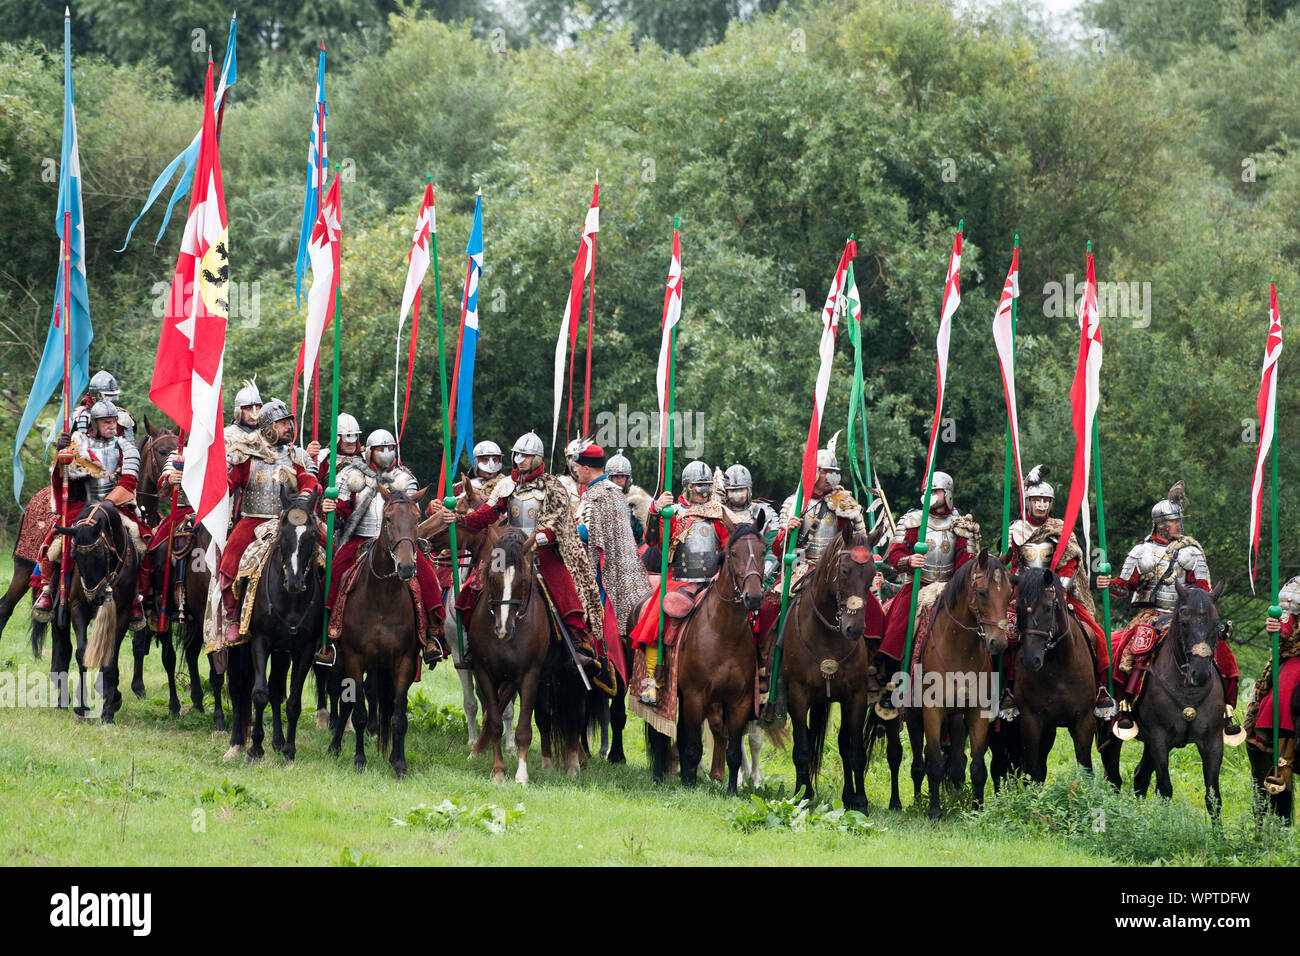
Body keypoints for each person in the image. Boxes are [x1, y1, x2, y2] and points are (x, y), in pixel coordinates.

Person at [430, 431, 612, 692]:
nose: (520, 460)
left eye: (526, 456)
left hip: (542, 551)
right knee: (475, 584)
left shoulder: (552, 487)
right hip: (509, 552)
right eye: (518, 455)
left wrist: (541, 537)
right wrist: (460, 521)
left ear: (537, 458)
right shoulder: (506, 486)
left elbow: (559, 523)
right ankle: (471, 645)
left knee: (562, 587)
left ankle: (576, 645)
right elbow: (485, 516)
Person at [1096, 481, 1240, 740]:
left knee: (1224, 655)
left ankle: (1226, 710)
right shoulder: (1141, 552)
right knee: (1130, 651)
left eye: (1180, 521)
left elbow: (1204, 590)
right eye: (1175, 521)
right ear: (1161, 523)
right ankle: (1125, 705)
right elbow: (1124, 586)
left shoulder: (1192, 552)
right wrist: (1108, 584)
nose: (1180, 526)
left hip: (1185, 615)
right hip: (1151, 614)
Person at [316, 429, 447, 668]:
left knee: (428, 578)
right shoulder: (352, 475)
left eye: (389, 448)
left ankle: (432, 636)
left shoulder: (404, 477)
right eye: (380, 449)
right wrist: (331, 507)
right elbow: (343, 512)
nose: (385, 454)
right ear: (370, 451)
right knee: (333, 576)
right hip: (360, 538)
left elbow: (411, 512)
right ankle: (328, 639)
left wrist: (433, 513)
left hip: (399, 541)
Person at [1001, 464, 1116, 718]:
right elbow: (1009, 563)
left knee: (1094, 634)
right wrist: (1016, 586)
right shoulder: (1015, 530)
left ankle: (1100, 690)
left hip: (1058, 594)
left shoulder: (1061, 530)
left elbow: (1071, 561)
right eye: (1036, 500)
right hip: (1022, 595)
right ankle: (1006, 691)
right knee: (1006, 636)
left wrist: (1057, 587)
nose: (1041, 505)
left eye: (1045, 500)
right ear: (1028, 502)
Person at [32, 400, 151, 629]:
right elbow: (60, 478)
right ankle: (47, 590)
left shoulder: (125, 447)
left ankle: (136, 598)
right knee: (55, 542)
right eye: (107, 422)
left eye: (114, 421)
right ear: (95, 424)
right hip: (83, 505)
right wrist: (61, 454)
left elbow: (128, 482)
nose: (112, 426)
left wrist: (105, 506)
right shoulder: (79, 444)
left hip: (114, 506)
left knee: (140, 541)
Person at [216, 400, 319, 647]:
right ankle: (232, 617)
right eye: (283, 423)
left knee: (327, 555)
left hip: (292, 520)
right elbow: (230, 484)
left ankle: (325, 617)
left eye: (289, 423)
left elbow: (310, 482)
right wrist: (217, 485)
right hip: (254, 520)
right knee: (231, 558)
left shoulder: (295, 456)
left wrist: (304, 500)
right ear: (268, 426)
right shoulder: (246, 454)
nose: (289, 427)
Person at [627, 460, 730, 704]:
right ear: (687, 487)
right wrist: (656, 511)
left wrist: (722, 572)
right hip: (680, 581)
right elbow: (653, 541)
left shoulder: (718, 514)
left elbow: (729, 547)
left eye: (707, 486)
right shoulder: (674, 513)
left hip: (714, 580)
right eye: (698, 486)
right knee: (657, 620)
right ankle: (654, 680)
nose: (703, 491)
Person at [874, 471, 980, 685]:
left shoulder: (960, 525)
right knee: (898, 623)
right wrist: (909, 560)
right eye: (929, 491)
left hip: (951, 587)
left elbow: (965, 562)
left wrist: (953, 584)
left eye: (937, 491)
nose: (932, 495)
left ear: (947, 493)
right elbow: (895, 553)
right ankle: (888, 676)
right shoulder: (912, 520)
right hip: (917, 586)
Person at [574, 443, 652, 692]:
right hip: (585, 562)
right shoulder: (593, 492)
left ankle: (602, 659)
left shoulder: (608, 494)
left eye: (577, 467)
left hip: (606, 572)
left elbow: (594, 534)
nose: (575, 471)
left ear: (587, 468)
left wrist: (566, 532)